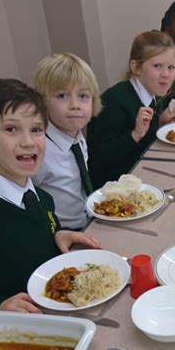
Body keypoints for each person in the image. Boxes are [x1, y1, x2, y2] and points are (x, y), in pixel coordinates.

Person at [0, 79, 101, 321]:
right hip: (7, 331)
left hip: (55, 314)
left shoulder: (42, 198)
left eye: (36, 130)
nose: (28, 141)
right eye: (11, 129)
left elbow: (31, 238)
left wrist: (57, 236)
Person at [87, 31, 175, 187]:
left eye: (171, 67)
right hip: (115, 190)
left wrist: (160, 122)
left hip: (143, 174)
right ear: (136, 67)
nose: (166, 74)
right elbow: (97, 159)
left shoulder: (150, 94)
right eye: (157, 66)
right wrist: (135, 135)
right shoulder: (113, 102)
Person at [33, 52, 102, 230]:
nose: (75, 105)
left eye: (83, 96)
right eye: (62, 96)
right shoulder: (40, 150)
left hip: (89, 221)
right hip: (63, 233)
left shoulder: (77, 137)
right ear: (42, 102)